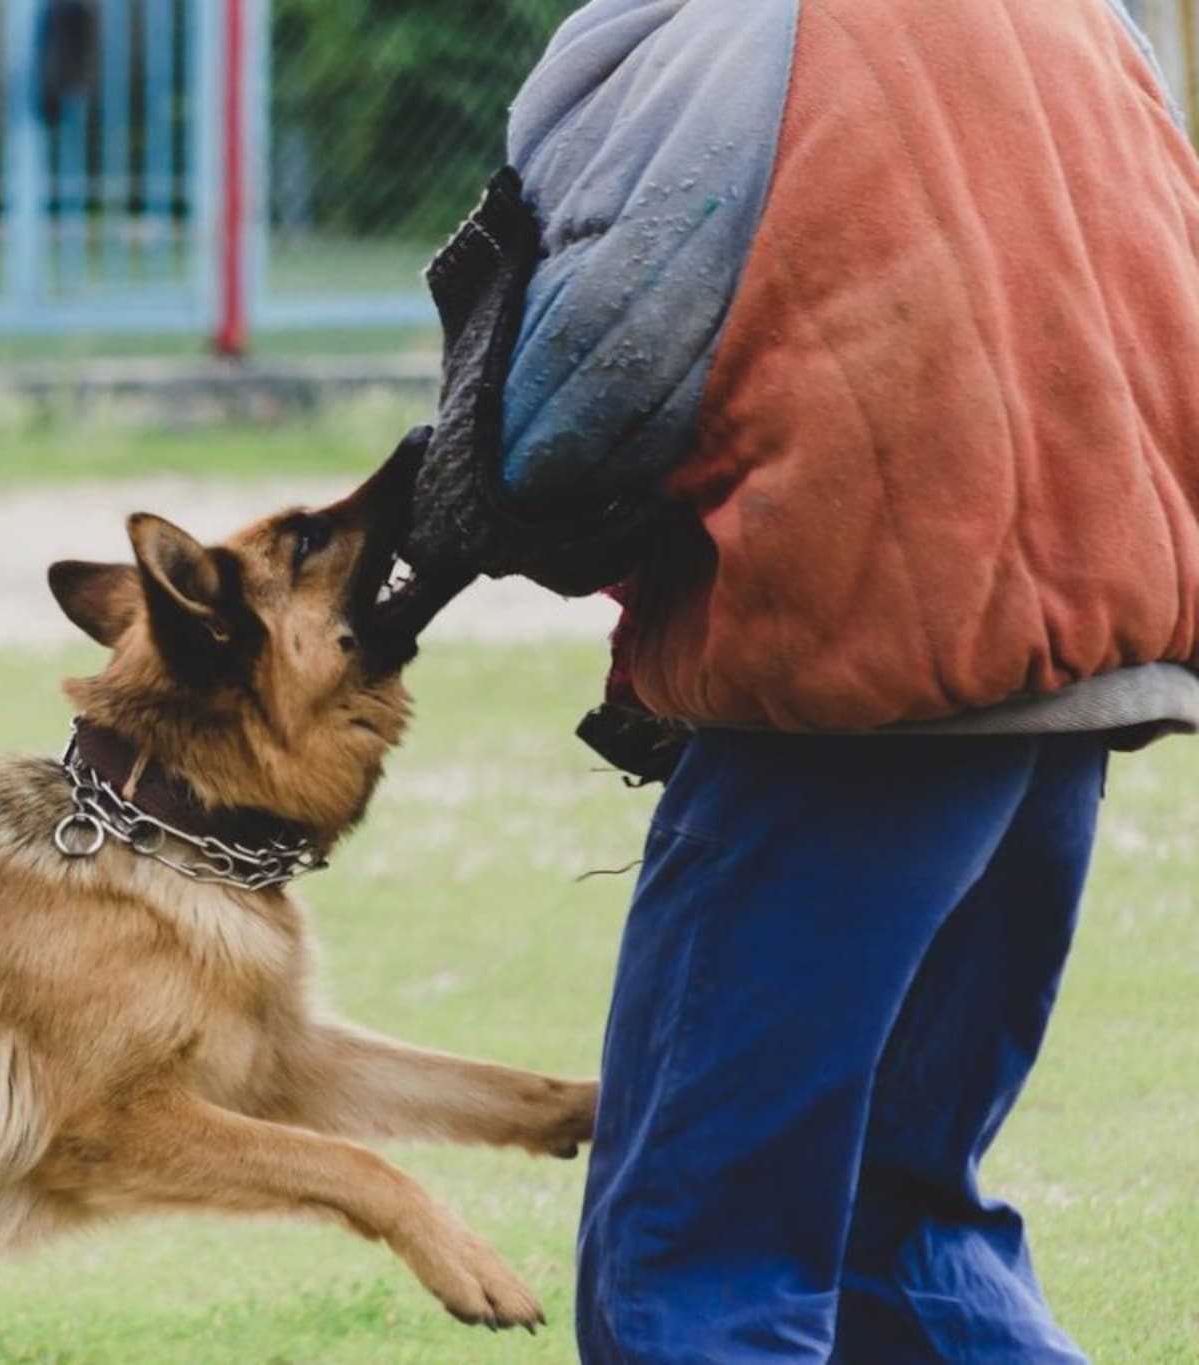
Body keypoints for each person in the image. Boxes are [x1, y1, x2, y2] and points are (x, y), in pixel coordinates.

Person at [400, 0, 1199, 1359]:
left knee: (695, 1264)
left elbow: (570, 411)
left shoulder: (744, 32)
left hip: (851, 698)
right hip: (1081, 676)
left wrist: (461, 520)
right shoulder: (1090, 20)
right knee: (905, 1239)